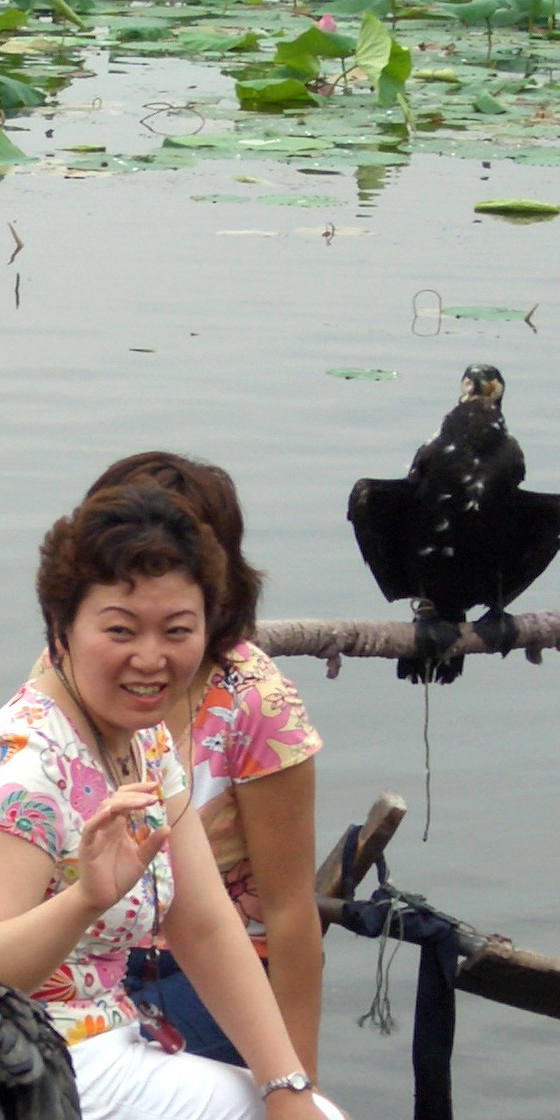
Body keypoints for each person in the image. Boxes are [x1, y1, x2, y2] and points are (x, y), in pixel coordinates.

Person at [0, 485, 380, 1120]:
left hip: (96, 1050)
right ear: (60, 627)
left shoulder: (140, 742)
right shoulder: (20, 772)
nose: (151, 658)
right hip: (5, 1087)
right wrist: (81, 903)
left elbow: (203, 924)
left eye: (177, 630)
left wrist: (287, 1085)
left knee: (301, 1108)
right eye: (120, 629)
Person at [80, 453, 325, 1077]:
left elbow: (292, 913)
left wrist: (302, 1088)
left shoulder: (254, 704)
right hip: (94, 939)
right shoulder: (83, 667)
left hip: (211, 967)